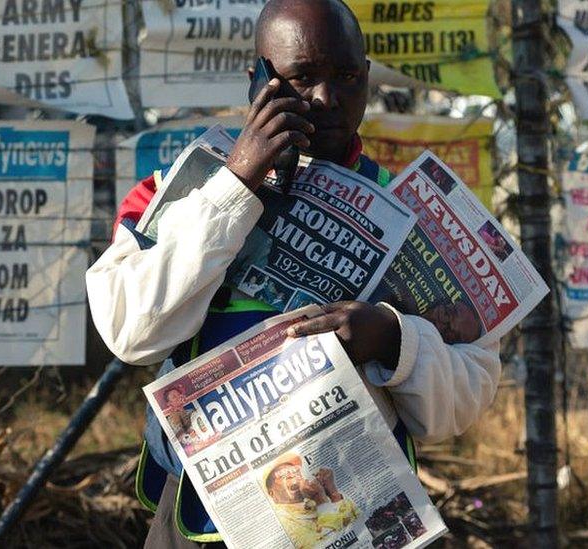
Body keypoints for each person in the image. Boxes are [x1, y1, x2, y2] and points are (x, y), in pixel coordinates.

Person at [86, 0, 502, 545]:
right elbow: (131, 332)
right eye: (302, 77)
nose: (326, 99)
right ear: (256, 80)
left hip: (353, 513)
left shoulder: (408, 215)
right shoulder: (178, 191)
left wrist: (393, 340)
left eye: (347, 77)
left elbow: (471, 392)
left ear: (368, 78)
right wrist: (238, 181)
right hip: (206, 522)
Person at [264, 454, 358, 549]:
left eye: (296, 471)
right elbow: (332, 539)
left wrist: (333, 492)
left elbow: (357, 520)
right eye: (282, 475)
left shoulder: (316, 497)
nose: (292, 475)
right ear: (272, 494)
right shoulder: (285, 523)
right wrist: (320, 500)